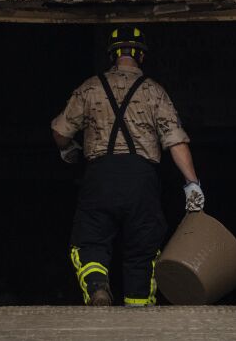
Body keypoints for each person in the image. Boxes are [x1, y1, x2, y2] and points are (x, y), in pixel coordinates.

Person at [51, 26, 205, 307]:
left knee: (90, 242)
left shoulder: (89, 88)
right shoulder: (155, 92)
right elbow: (176, 142)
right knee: (142, 253)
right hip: (141, 181)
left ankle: (98, 286)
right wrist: (192, 185)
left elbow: (60, 131)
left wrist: (68, 151)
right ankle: (138, 315)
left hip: (100, 178)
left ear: (111, 56)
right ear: (141, 57)